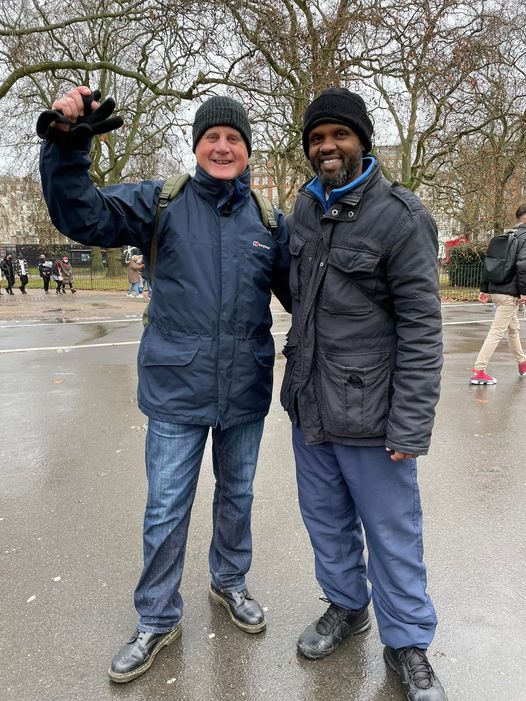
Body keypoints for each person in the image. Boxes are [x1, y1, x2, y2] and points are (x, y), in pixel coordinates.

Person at [37, 86, 291, 684]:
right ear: (197, 146)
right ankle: (156, 616)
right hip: (176, 389)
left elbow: (306, 298)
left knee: (238, 496)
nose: (223, 147)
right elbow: (83, 215)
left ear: (247, 150)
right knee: (166, 507)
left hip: (245, 389)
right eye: (212, 137)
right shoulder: (162, 202)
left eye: (233, 138)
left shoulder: (268, 221)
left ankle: (230, 581)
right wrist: (68, 150)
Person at [280, 88, 446, 701]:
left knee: (391, 533)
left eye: (339, 135)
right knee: (326, 521)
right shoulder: (303, 207)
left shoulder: (401, 217)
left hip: (374, 415)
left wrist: (410, 424)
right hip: (310, 407)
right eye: (317, 138)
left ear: (361, 142)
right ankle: (347, 607)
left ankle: (407, 644)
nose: (327, 147)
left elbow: (422, 328)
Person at [469, 204, 526, 384]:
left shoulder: (507, 236)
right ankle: (479, 370)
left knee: (513, 328)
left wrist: (484, 288)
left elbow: (490, 263)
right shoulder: (524, 239)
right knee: (496, 332)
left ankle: (522, 362)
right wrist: (524, 293)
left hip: (497, 291)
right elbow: (522, 267)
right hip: (510, 294)